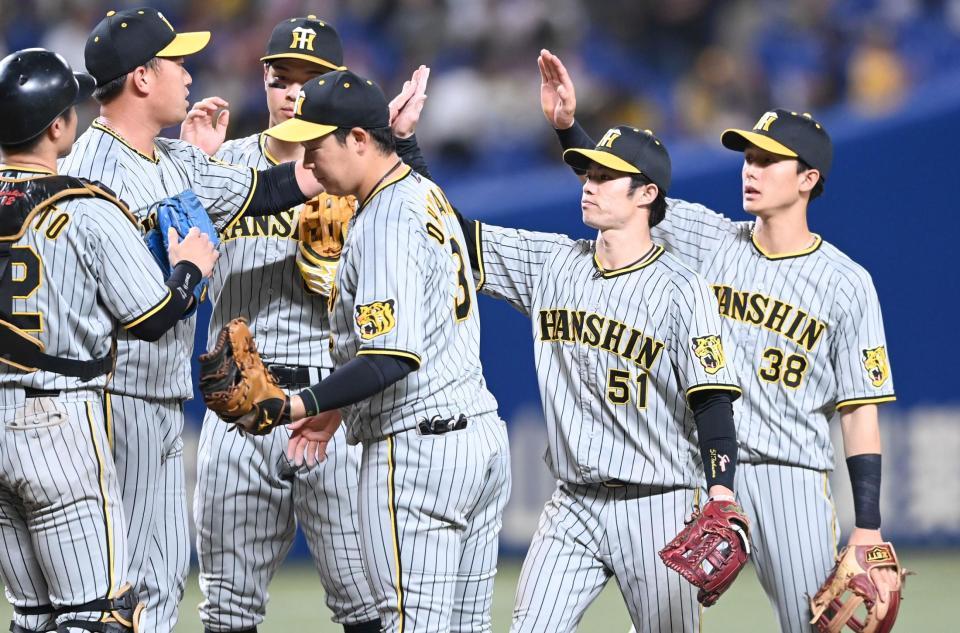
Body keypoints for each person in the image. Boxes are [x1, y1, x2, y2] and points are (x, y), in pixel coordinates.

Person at [371, 68, 747, 632]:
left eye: (607, 177)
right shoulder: (553, 263)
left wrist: (721, 491)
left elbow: (712, 399)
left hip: (661, 502)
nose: (589, 184)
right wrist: (403, 147)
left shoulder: (681, 288)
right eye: (587, 173)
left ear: (647, 194)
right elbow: (450, 232)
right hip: (571, 504)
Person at [539, 49, 901, 632]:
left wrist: (868, 525)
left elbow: (859, 412)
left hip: (790, 477)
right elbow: (624, 192)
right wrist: (568, 130)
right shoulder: (713, 239)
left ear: (808, 179)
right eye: (748, 157)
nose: (749, 169)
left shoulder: (847, 283)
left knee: (815, 626)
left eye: (767, 161)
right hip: (697, 473)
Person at [58, 7, 329, 630]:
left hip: (152, 397)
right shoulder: (91, 171)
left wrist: (370, 140)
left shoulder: (172, 160)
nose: (190, 72)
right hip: (102, 396)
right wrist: (184, 273)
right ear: (141, 78)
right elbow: (130, 309)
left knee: (152, 582)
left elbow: (266, 191)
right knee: (111, 588)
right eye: (176, 60)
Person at [251, 69, 511, 632]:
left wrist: (294, 406)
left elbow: (391, 357)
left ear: (360, 140)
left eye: (317, 146)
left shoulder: (385, 218)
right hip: (481, 442)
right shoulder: (424, 191)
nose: (308, 162)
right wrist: (333, 412)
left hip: (420, 454)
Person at [0, 48, 217, 633]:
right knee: (94, 615)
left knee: (32, 616)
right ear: (57, 125)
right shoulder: (85, 206)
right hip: (59, 422)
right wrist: (190, 268)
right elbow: (152, 316)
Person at [180, 16, 380, 633]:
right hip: (237, 407)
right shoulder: (226, 163)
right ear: (263, 83)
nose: (292, 92)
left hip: (330, 404)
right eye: (280, 78)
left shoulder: (365, 174)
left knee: (367, 604)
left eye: (309, 79)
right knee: (227, 609)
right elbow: (167, 253)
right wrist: (192, 171)